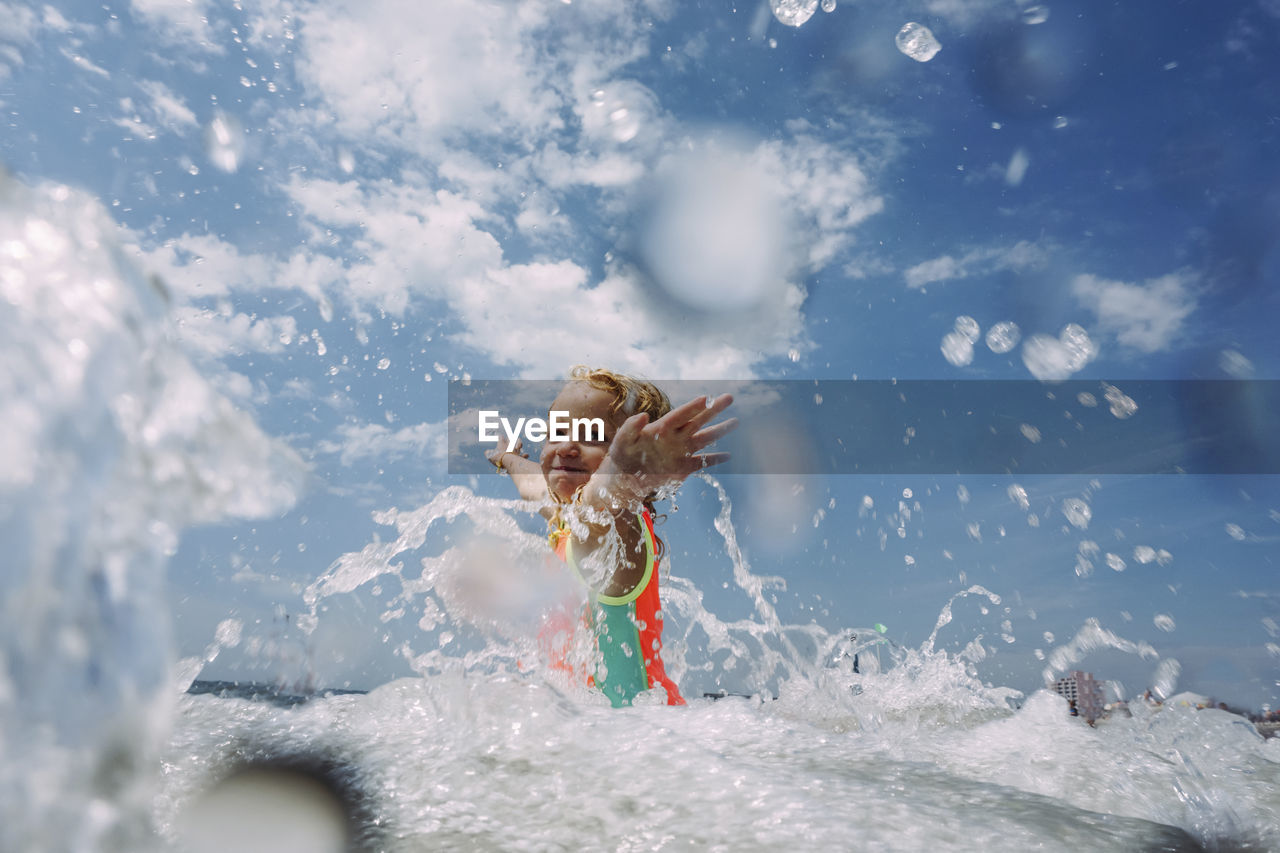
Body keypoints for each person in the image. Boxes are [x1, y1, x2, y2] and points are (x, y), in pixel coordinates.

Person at [486, 366, 735, 707]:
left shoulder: (619, 527)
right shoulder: (564, 516)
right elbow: (534, 485)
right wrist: (507, 459)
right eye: (557, 433)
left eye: (595, 438)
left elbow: (602, 501)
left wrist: (620, 472)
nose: (568, 446)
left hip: (643, 741)